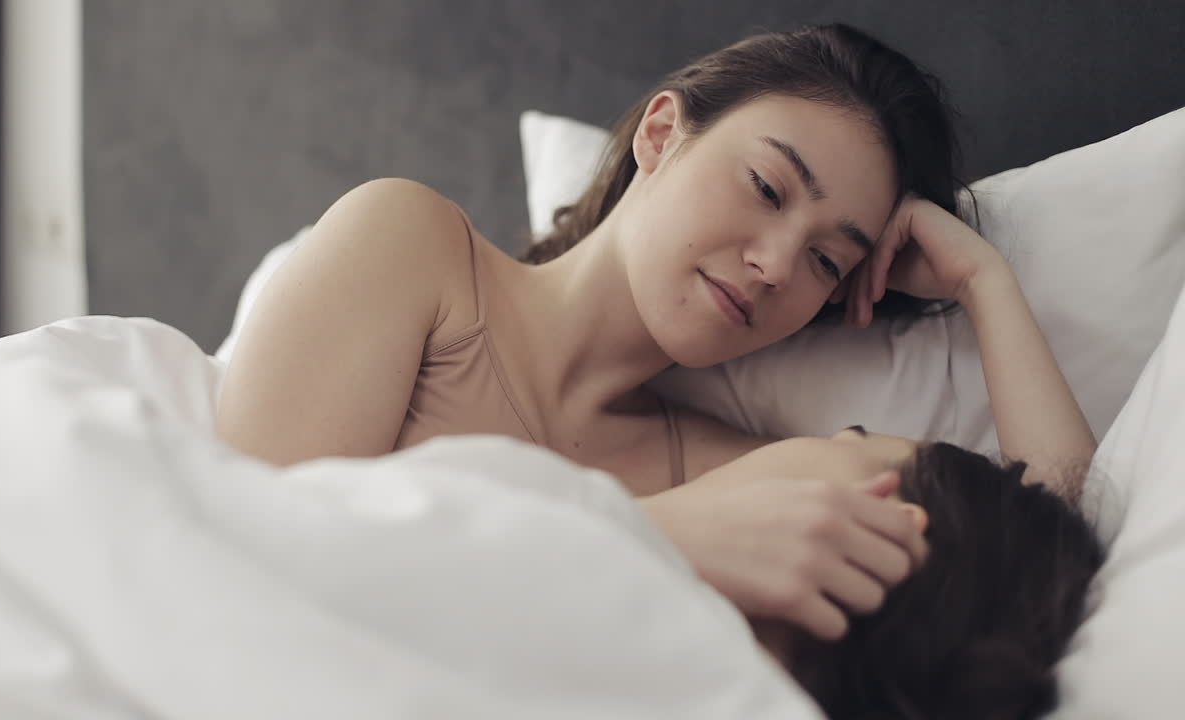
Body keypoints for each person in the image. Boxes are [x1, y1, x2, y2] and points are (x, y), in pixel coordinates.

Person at [214, 23, 1101, 718]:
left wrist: (986, 284)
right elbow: (231, 559)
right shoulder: (416, 253)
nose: (777, 264)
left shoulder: (737, 473)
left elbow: (1039, 526)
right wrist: (659, 536)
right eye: (766, 188)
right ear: (663, 133)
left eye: (830, 263)